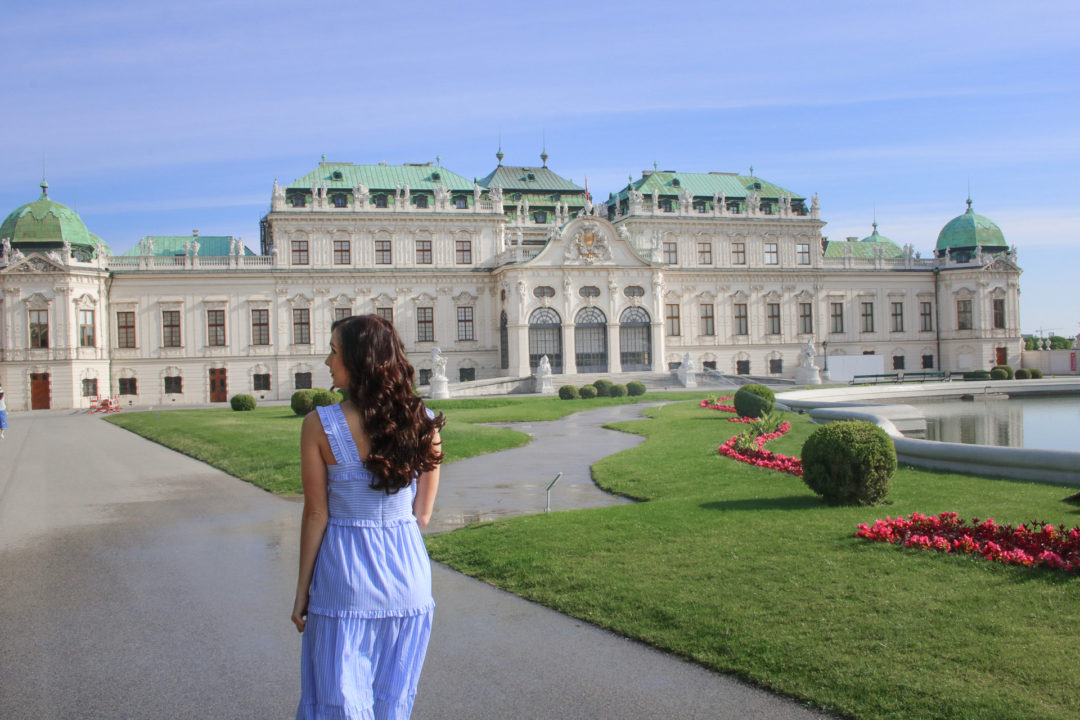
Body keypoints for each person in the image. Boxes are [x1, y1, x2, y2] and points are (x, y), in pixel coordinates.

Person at [292, 314, 444, 719]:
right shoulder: (422, 422)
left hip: (345, 578)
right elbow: (422, 516)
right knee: (393, 704)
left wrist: (302, 590)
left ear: (358, 361)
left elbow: (316, 514)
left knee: (338, 704)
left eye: (334, 352)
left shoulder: (318, 426)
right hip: (408, 577)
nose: (327, 361)